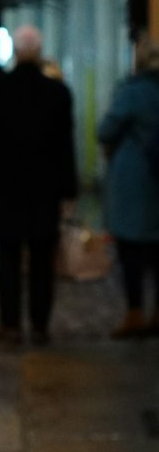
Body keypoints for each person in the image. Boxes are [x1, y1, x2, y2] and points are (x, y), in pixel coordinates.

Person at [0, 24, 77, 346]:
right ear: (40, 51)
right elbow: (65, 146)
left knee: (9, 256)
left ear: (16, 51)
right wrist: (67, 190)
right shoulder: (58, 93)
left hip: (6, 189)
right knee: (43, 259)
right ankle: (40, 324)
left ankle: (11, 323)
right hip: (44, 190)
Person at [98, 37, 159, 338]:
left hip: (135, 179)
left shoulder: (132, 92)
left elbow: (106, 129)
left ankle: (135, 312)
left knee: (131, 251)